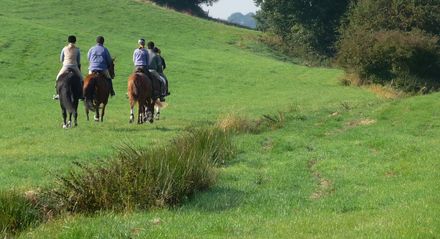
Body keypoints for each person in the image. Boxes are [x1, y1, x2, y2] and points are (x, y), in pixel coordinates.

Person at [53, 35, 83, 100]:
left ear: (68, 41)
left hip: (65, 66)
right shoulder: (77, 49)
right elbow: (78, 61)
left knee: (58, 78)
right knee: (81, 79)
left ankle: (58, 94)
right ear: (75, 41)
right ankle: (81, 94)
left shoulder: (64, 48)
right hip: (74, 66)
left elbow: (61, 59)